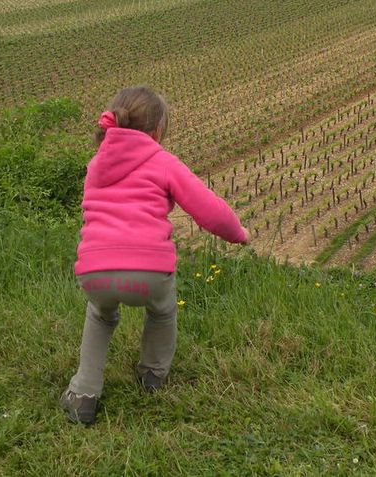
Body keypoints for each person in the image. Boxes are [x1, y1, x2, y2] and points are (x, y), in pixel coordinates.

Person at [60, 86, 249, 425]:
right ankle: (152, 376)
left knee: (100, 317)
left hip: (94, 270)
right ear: (158, 130)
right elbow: (209, 210)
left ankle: (83, 393)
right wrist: (238, 234)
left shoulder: (96, 164)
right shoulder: (163, 162)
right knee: (161, 313)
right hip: (149, 271)